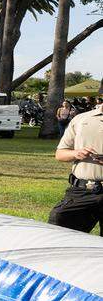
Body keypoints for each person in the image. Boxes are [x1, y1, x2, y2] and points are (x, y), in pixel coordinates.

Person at [49, 97, 103, 234]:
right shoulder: (81, 120)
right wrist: (76, 153)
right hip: (83, 190)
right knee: (59, 227)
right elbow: (60, 154)